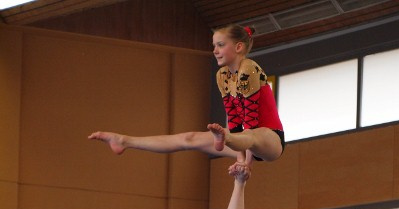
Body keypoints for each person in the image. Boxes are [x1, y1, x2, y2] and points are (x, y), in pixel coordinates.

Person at [88, 24, 284, 168]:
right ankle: (124, 141)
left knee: (252, 135)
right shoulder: (222, 75)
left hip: (270, 138)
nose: (215, 50)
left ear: (238, 47)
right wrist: (240, 157)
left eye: (220, 45)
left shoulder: (249, 68)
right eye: (214, 45)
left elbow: (250, 121)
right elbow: (234, 119)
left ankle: (224, 138)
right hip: (240, 138)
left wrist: (245, 163)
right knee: (189, 138)